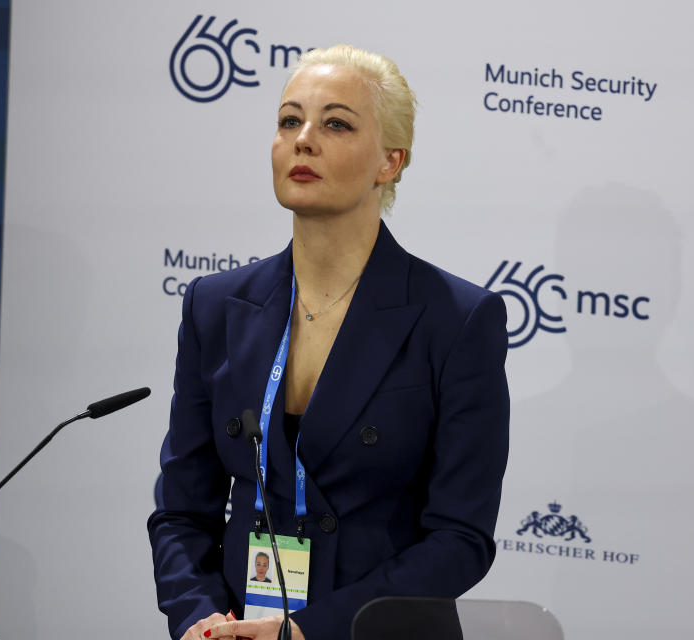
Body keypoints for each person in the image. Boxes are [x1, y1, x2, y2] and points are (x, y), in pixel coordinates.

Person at [148, 44, 509, 640]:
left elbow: (460, 540)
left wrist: (307, 631)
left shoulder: (458, 319)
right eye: (290, 120)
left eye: (335, 123)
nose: (303, 140)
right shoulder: (215, 306)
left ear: (389, 162)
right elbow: (182, 511)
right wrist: (201, 619)